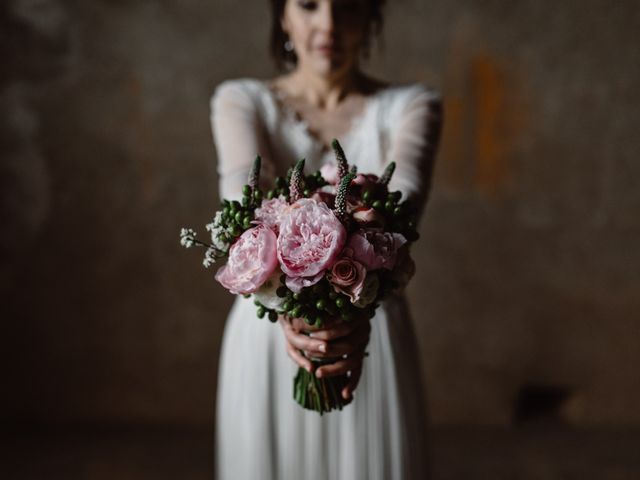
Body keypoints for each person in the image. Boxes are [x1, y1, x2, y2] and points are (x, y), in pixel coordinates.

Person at [210, 0, 442, 478]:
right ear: (283, 15)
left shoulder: (413, 106)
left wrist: (349, 317)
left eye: (348, 5)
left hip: (370, 328)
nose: (329, 24)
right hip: (268, 337)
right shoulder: (240, 99)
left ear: (371, 16)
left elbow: (402, 209)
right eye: (310, 5)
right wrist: (289, 306)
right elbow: (244, 198)